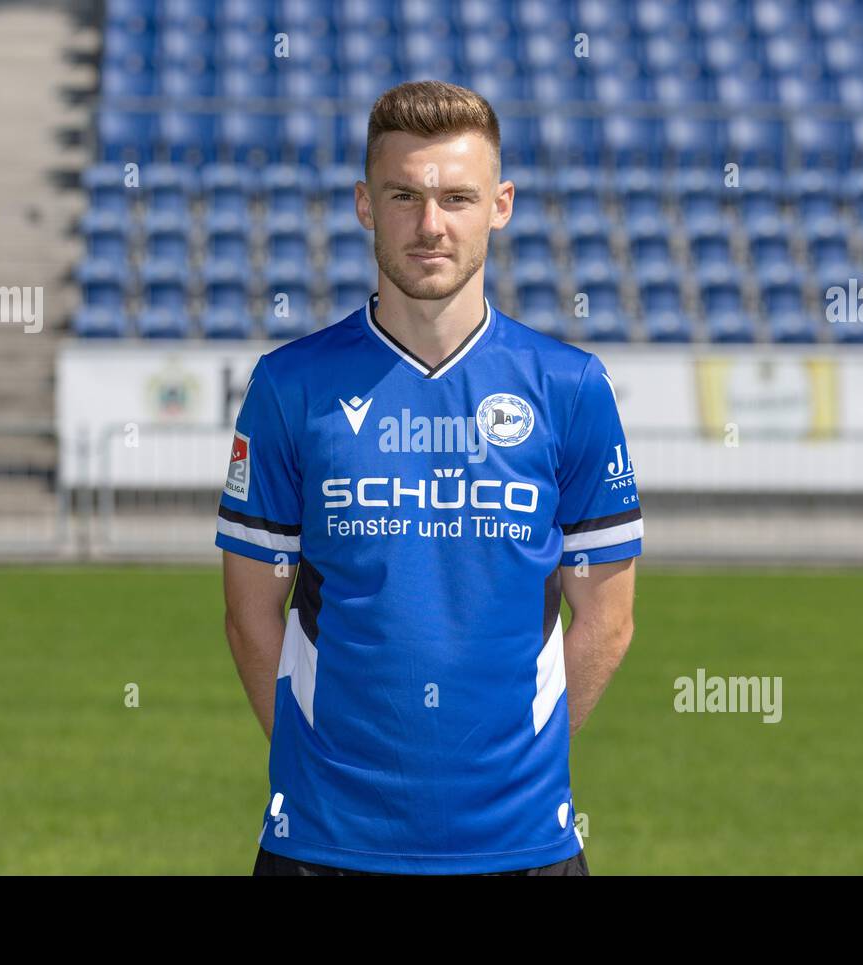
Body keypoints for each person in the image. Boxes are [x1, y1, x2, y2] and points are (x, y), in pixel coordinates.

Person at [218, 80, 641, 876]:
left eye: (457, 196)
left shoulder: (571, 386)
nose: (431, 224)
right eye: (404, 195)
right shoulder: (290, 385)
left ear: (502, 204)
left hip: (523, 845)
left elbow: (608, 619)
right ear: (364, 205)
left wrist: (515, 763)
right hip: (323, 846)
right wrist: (325, 770)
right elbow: (249, 613)